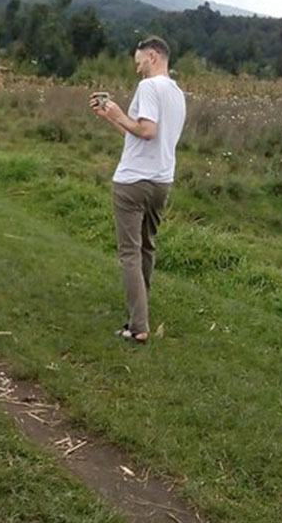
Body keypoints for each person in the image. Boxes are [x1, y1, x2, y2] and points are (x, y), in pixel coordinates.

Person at [90, 35, 186, 345]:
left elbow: (147, 131)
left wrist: (118, 112)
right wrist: (111, 118)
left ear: (154, 56)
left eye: (139, 59)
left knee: (129, 253)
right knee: (146, 247)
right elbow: (139, 135)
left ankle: (138, 325)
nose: (137, 65)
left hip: (133, 181)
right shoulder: (177, 93)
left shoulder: (148, 87)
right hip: (161, 181)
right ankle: (139, 316)